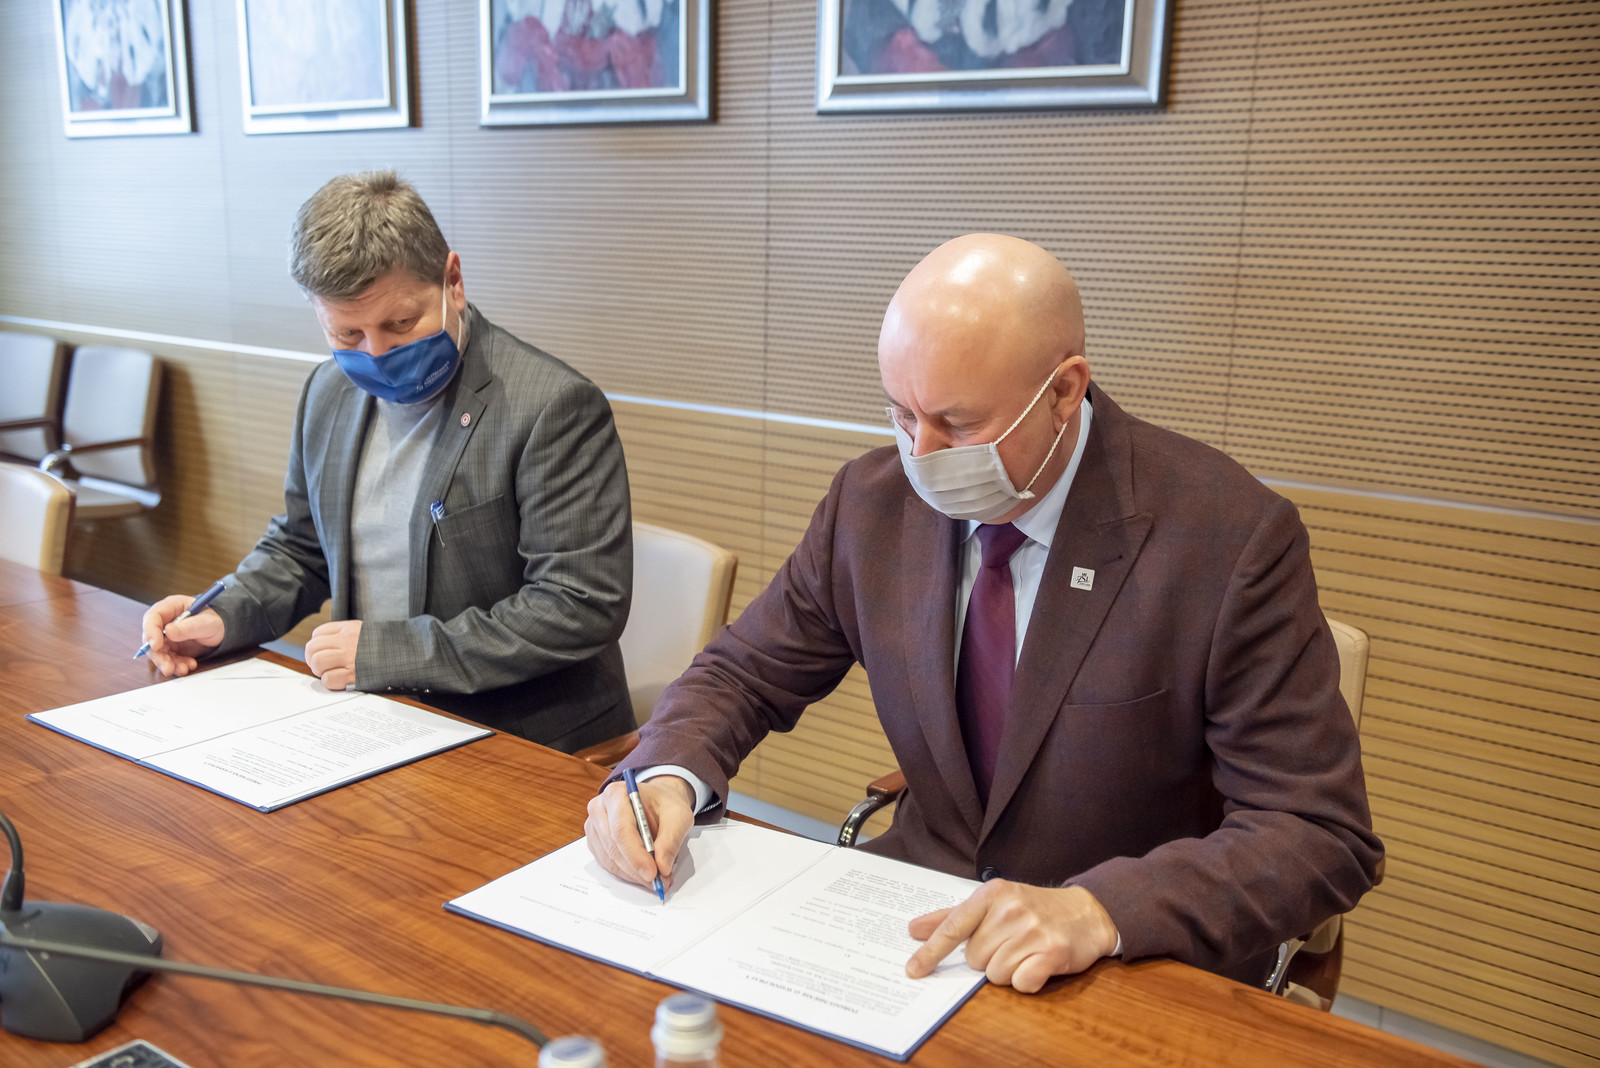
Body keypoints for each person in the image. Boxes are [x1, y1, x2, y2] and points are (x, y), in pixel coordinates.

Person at [584, 234, 1383, 990]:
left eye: (958, 424)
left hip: (1123, 963)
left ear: (1064, 391)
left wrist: (1100, 911)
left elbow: (1316, 831)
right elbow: (744, 673)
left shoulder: (1226, 538)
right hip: (914, 923)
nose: (920, 455)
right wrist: (666, 774)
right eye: (902, 414)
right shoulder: (871, 506)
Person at [140, 171, 635, 751]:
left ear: (452, 282)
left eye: (400, 324)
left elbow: (576, 605)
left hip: (522, 738)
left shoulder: (552, 406)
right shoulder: (327, 393)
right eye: (348, 334)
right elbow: (301, 549)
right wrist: (225, 615)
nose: (377, 354)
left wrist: (389, 653)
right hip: (377, 721)